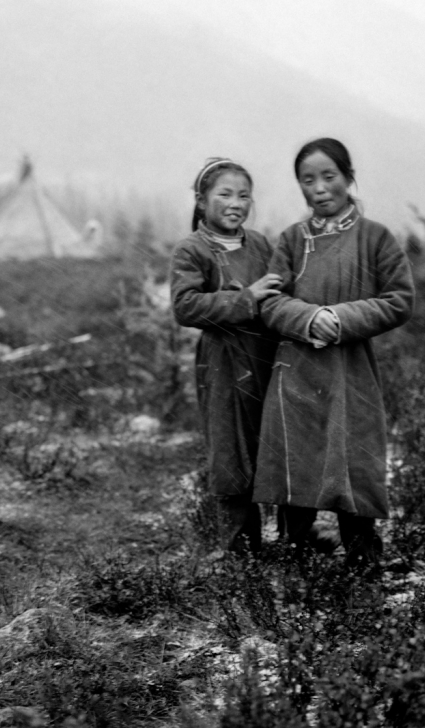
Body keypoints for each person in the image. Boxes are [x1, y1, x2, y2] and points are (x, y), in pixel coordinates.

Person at [255, 138, 414, 570]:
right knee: (297, 462)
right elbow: (269, 301)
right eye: (308, 180)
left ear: (348, 177)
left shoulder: (376, 238)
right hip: (297, 371)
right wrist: (307, 319)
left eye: (329, 176)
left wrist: (340, 318)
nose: (320, 188)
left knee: (354, 461)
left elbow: (399, 299)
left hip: (350, 372)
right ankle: (294, 562)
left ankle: (364, 565)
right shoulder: (290, 240)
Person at [170, 158, 283, 554]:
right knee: (230, 447)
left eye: (244, 195)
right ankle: (240, 546)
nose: (236, 203)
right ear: (202, 202)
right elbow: (185, 307)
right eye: (225, 194)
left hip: (267, 355)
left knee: (275, 440)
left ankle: (291, 539)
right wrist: (245, 298)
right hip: (223, 361)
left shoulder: (261, 244)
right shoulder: (192, 249)